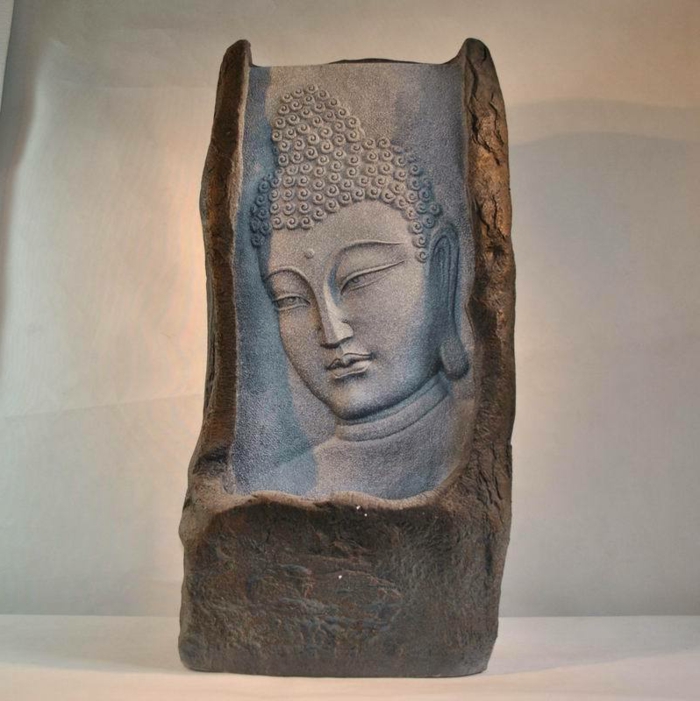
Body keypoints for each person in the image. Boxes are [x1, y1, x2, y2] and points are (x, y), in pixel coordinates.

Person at [249, 85, 469, 499]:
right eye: (290, 299)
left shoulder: (472, 449)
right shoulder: (278, 488)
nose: (331, 333)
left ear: (441, 268)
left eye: (359, 279)